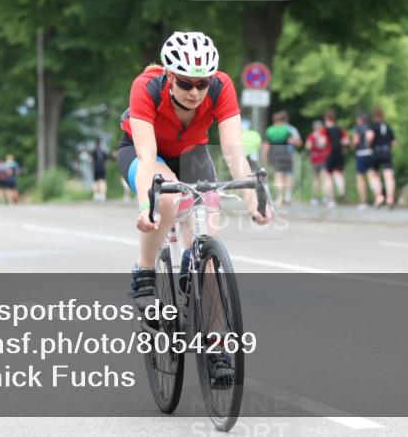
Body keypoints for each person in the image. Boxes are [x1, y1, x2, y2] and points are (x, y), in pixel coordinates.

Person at [117, 31, 272, 383]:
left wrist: (254, 202)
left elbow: (233, 152)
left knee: (209, 251)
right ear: (169, 76)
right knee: (167, 199)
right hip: (146, 153)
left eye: (202, 84)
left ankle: (215, 345)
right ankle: (144, 274)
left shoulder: (221, 86)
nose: (195, 92)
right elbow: (146, 156)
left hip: (192, 154)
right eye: (186, 83)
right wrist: (146, 206)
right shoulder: (146, 87)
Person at [261, 110, 301, 207]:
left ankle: (280, 196)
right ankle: (288, 196)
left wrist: (264, 157)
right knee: (287, 174)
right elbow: (294, 142)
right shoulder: (286, 130)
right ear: (283, 120)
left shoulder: (269, 130)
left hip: (275, 153)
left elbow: (266, 146)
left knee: (278, 174)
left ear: (274, 120)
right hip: (285, 152)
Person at [369, 107, 398, 208]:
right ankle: (390, 198)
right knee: (389, 176)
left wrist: (369, 145)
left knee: (374, 175)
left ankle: (379, 196)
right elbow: (394, 142)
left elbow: (370, 137)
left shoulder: (372, 126)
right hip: (386, 152)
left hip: (376, 152)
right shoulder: (387, 126)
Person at [320, 110, 348, 207]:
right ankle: (341, 191)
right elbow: (346, 141)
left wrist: (321, 144)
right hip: (339, 154)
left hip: (329, 154)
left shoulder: (324, 130)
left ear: (326, 119)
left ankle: (331, 200)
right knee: (338, 174)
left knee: (328, 177)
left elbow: (323, 142)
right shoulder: (340, 129)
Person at [352, 112, 376, 209]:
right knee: (372, 177)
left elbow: (356, 141)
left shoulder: (357, 128)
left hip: (361, 154)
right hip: (371, 153)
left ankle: (363, 201)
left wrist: (352, 145)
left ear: (360, 119)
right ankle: (377, 198)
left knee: (360, 178)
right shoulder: (371, 127)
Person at [304, 120, 330, 206]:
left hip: (315, 159)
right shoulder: (324, 135)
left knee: (315, 179)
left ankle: (315, 198)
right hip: (324, 158)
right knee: (324, 179)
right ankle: (325, 197)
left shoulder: (312, 136)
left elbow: (308, 147)